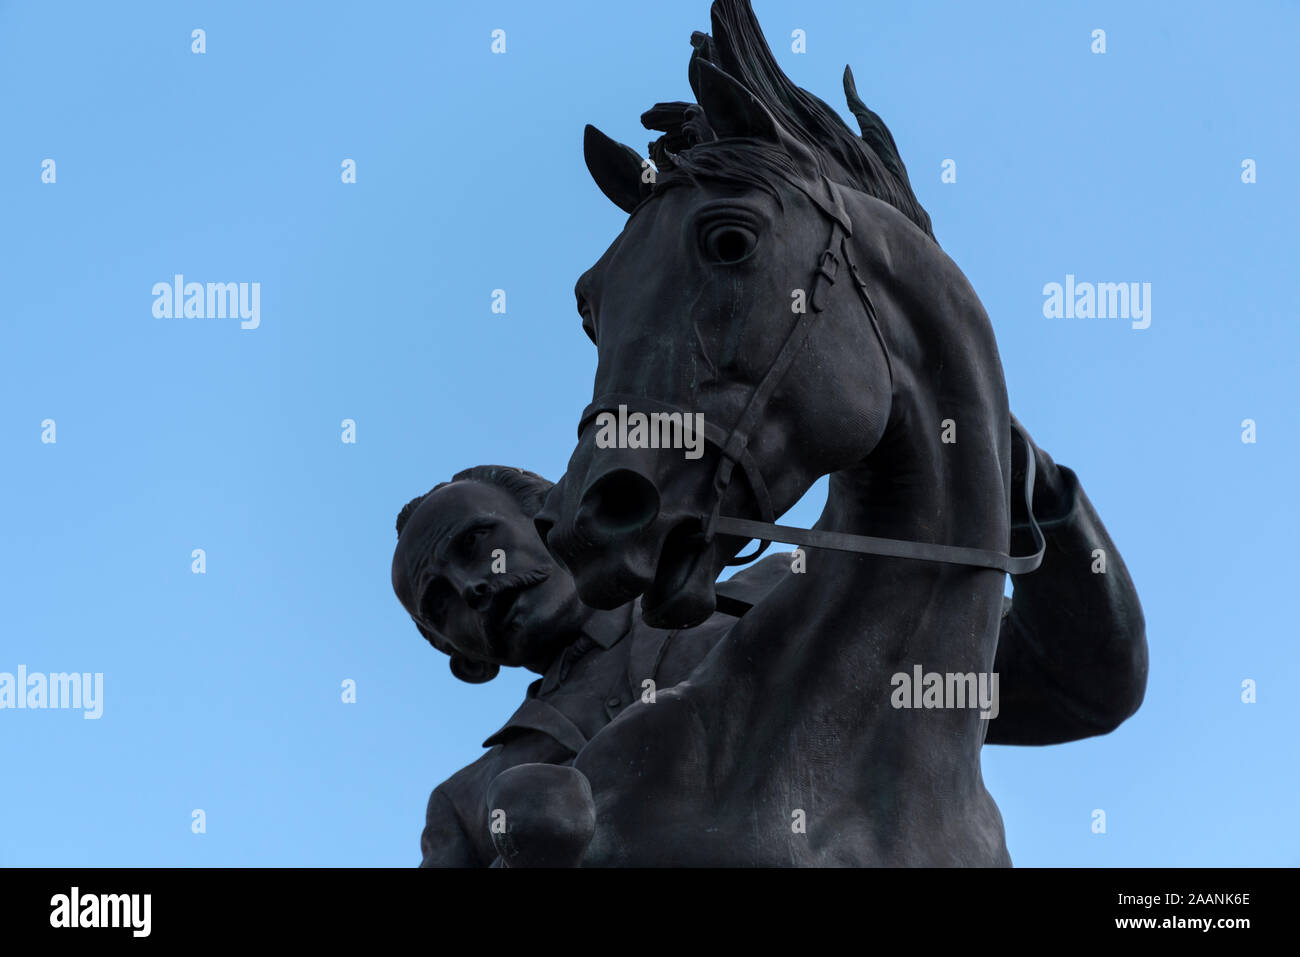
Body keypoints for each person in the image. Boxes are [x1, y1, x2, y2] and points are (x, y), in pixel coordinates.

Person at [394, 440, 1145, 866]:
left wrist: (1041, 496)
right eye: (440, 602)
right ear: (461, 657)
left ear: (546, 516)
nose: (473, 586)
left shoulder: (792, 591)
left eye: (477, 543)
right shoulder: (467, 804)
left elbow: (1077, 681)